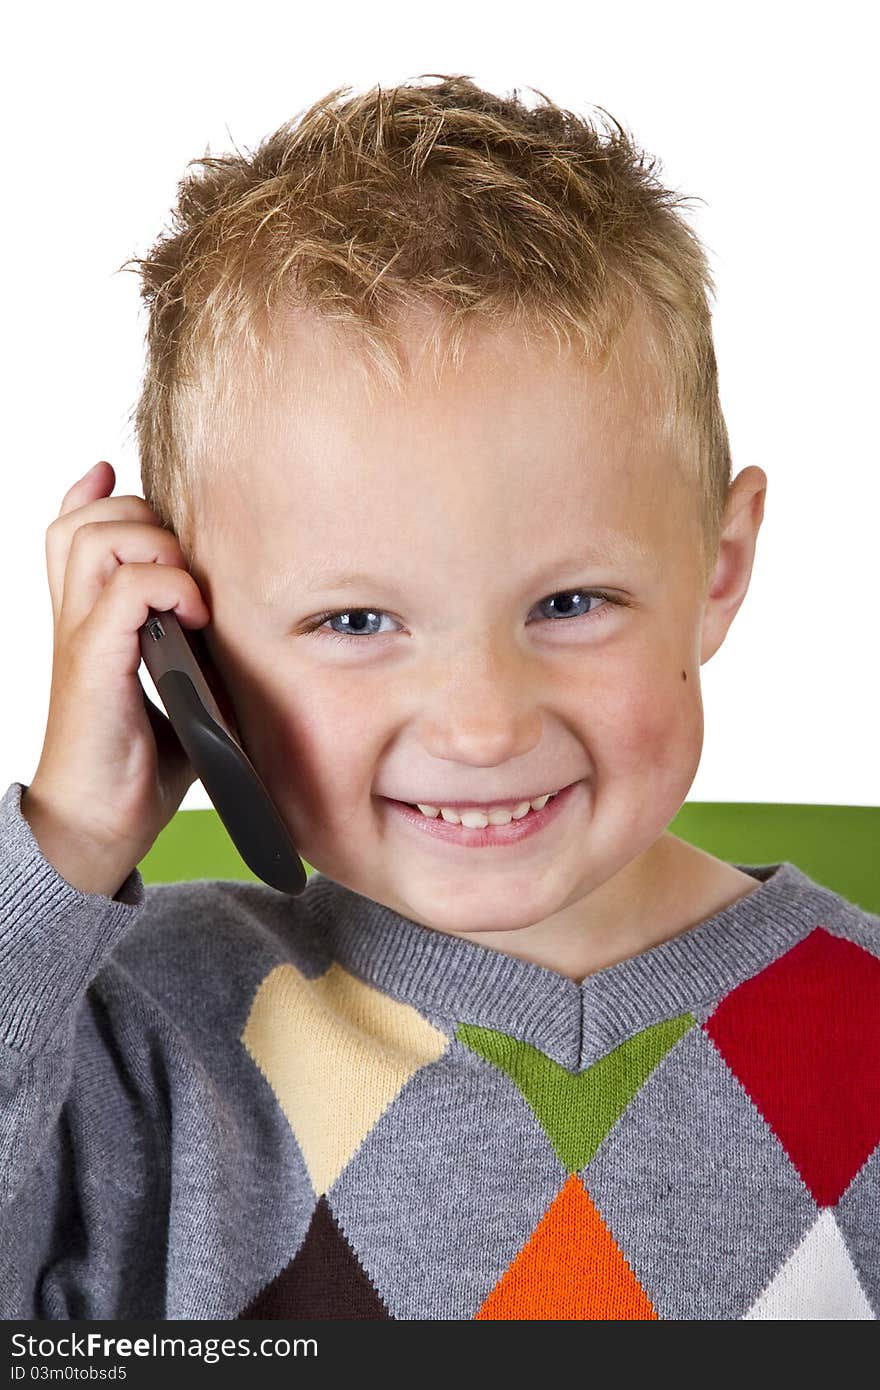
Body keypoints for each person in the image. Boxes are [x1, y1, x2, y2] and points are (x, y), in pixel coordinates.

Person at [2, 74, 878, 1322]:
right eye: (356, 621)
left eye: (569, 602)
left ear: (719, 569)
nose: (481, 724)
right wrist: (68, 847)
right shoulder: (136, 1030)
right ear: (177, 641)